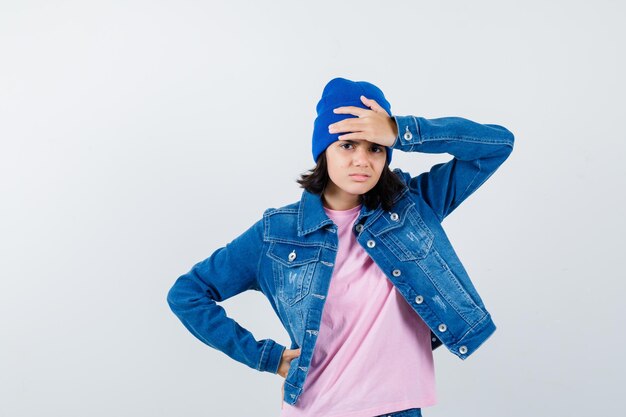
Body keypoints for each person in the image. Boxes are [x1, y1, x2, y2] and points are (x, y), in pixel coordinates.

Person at [167, 77, 515, 417]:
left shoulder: (415, 206)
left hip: (397, 408)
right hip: (318, 408)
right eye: (348, 145)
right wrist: (265, 357)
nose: (362, 160)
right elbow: (188, 293)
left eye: (375, 147)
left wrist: (400, 131)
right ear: (324, 151)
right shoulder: (278, 232)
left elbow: (497, 145)